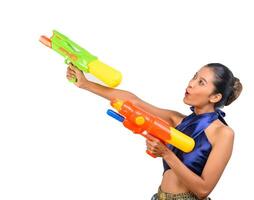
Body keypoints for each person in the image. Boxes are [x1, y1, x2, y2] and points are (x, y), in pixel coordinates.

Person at [66, 63, 243, 200]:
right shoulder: (178, 120)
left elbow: (203, 190)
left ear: (215, 97)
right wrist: (86, 84)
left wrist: (166, 154)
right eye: (194, 77)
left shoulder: (223, 133)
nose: (190, 84)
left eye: (201, 82)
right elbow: (133, 101)